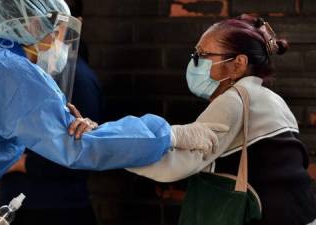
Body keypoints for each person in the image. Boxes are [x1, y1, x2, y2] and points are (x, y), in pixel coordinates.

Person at [0, 0, 223, 224]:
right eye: (58, 32)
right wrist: (169, 133)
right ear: (34, 25)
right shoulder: (16, 74)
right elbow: (78, 147)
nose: (60, 43)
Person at [128, 14, 316, 225]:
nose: (193, 62)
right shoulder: (273, 99)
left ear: (238, 64)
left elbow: (176, 165)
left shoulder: (234, 101)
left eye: (202, 55)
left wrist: (113, 148)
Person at [0, 1, 101, 224]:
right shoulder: (32, 73)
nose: (41, 30)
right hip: (22, 205)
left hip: (57, 209)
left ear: (73, 25)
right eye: (37, 21)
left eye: (54, 24)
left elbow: (84, 153)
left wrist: (21, 163)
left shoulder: (79, 80)